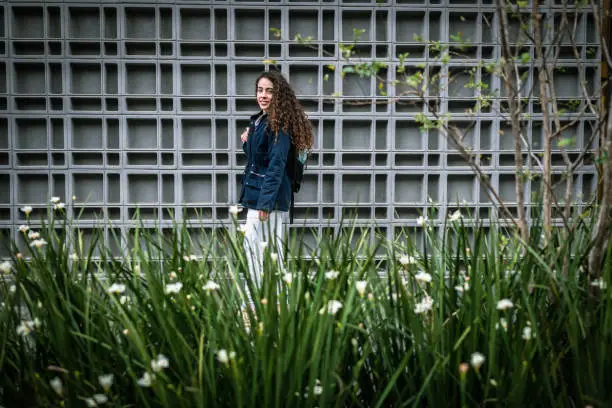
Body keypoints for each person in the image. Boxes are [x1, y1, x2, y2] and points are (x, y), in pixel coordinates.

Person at [238, 70, 313, 295]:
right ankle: (268, 307)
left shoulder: (279, 125)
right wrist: (247, 141)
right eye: (260, 90)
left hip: (266, 201)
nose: (263, 95)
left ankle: (261, 307)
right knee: (259, 254)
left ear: (278, 95)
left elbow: (276, 166)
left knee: (262, 256)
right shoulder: (261, 121)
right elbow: (258, 159)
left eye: (269, 91)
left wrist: (265, 204)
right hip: (258, 197)